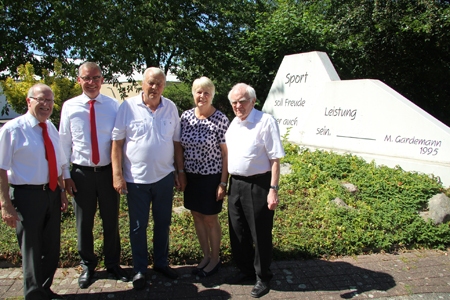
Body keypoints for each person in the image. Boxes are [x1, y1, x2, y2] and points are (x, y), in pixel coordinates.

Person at [111, 67, 182, 290]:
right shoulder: (127, 107)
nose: (155, 87)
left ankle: (161, 263)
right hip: (136, 180)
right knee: (138, 226)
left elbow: (177, 144)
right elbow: (117, 143)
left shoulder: (170, 107)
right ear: (143, 83)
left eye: (159, 83)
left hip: (164, 177)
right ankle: (140, 269)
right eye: (151, 83)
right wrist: (117, 175)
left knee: (163, 223)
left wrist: (180, 173)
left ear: (164, 86)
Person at [59, 62, 128, 289]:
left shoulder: (113, 106)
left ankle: (112, 263)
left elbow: (119, 141)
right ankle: (88, 265)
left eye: (96, 78)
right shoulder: (69, 107)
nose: (91, 82)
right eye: (86, 78)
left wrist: (120, 173)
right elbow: (64, 142)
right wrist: (65, 175)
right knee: (84, 223)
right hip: (81, 174)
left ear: (102, 80)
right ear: (79, 80)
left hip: (108, 172)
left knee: (111, 221)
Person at [0, 83, 69, 300]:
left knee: (51, 247)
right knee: (31, 248)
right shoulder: (12, 129)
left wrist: (61, 191)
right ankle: (33, 294)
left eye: (50, 100)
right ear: (29, 101)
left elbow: (57, 162)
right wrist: (5, 204)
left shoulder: (51, 128)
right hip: (26, 196)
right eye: (42, 99)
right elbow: (1, 168)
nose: (46, 105)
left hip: (50, 193)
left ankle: (45, 289)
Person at [225, 83, 285, 298]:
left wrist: (273, 190)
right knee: (238, 231)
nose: (237, 106)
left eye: (242, 101)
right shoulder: (234, 123)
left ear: (252, 101)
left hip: (259, 184)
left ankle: (263, 277)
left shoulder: (265, 121)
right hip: (236, 184)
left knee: (260, 234)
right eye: (234, 102)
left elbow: (275, 159)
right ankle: (246, 270)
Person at [176, 77, 229, 278]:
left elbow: (226, 154)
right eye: (199, 92)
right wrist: (180, 172)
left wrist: (223, 182)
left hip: (211, 178)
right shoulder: (186, 117)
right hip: (191, 177)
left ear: (212, 95)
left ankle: (215, 259)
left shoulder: (221, 119)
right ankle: (205, 256)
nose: (202, 96)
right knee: (197, 216)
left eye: (206, 92)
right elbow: (179, 147)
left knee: (210, 219)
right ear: (193, 93)